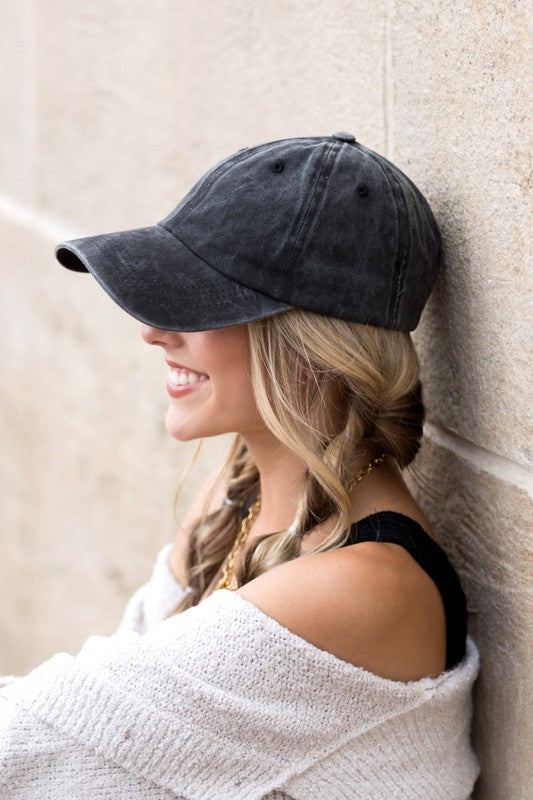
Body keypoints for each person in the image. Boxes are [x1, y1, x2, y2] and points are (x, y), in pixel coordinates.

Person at [0, 132, 480, 799]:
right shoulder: (244, 487)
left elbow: (30, 746)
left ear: (309, 343)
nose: (154, 331)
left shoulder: (361, 586)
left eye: (197, 303)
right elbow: (101, 696)